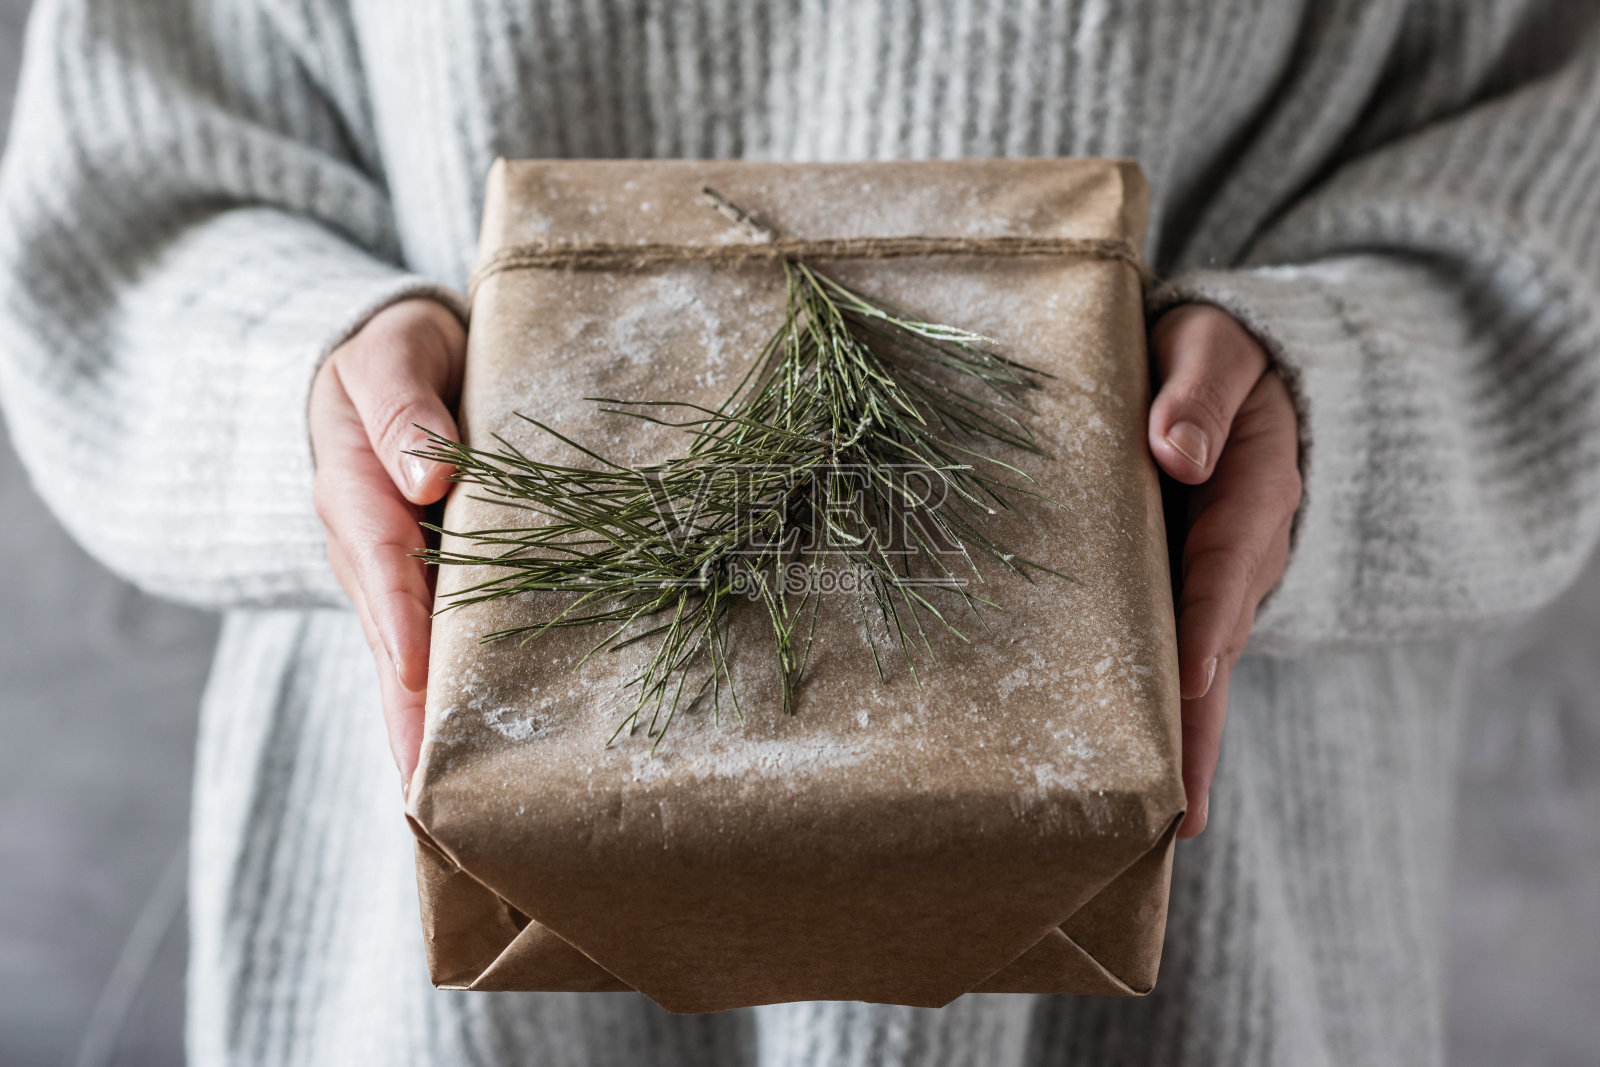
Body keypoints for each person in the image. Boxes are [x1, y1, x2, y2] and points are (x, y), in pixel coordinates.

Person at [1, 1, 1596, 1064]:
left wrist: (1337, 389)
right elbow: (126, 204)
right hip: (436, 907)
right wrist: (308, 370)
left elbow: (1548, 166)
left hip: (1213, 931)